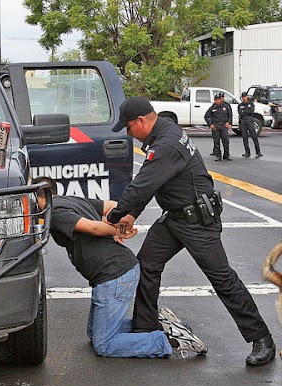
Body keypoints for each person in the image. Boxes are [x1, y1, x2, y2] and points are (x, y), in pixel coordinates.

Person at [107, 96, 276, 366]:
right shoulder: (165, 131)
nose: (128, 134)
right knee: (147, 264)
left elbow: (142, 185)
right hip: (175, 218)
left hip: (197, 221)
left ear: (141, 121)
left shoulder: (166, 144)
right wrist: (131, 215)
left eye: (128, 128)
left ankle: (262, 339)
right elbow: (154, 185)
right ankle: (145, 328)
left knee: (223, 279)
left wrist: (114, 216)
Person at [32, 176, 207, 358]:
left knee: (104, 344)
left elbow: (93, 228)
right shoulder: (70, 200)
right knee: (94, 333)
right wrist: (116, 224)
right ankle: (160, 325)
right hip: (113, 273)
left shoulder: (56, 211)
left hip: (114, 275)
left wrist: (117, 231)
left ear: (41, 195)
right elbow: (112, 206)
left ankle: (172, 341)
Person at [204, 92, 233, 161]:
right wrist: (210, 124)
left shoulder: (226, 106)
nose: (217, 101)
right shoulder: (212, 108)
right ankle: (218, 155)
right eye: (216, 100)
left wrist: (228, 123)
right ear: (214, 100)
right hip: (216, 126)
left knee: (226, 141)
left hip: (223, 125)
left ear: (221, 100)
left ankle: (226, 155)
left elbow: (230, 115)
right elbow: (206, 116)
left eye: (219, 99)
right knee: (216, 141)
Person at [238, 92, 263, 158]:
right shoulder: (240, 105)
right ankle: (247, 152)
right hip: (243, 121)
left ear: (247, 97)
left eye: (245, 96)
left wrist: (244, 111)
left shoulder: (251, 104)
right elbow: (240, 113)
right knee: (244, 137)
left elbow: (251, 112)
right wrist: (245, 111)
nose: (244, 98)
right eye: (243, 97)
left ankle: (258, 151)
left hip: (249, 120)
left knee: (254, 136)